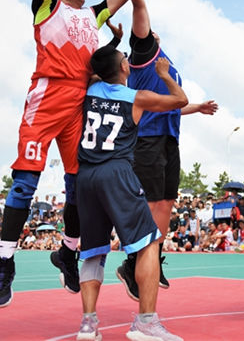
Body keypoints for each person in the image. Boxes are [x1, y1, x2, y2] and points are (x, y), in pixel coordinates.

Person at [0, 0, 145, 308]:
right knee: (26, 183)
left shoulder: (91, 19)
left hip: (80, 104)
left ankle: (68, 251)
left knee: (79, 185)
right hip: (46, 99)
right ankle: (5, 262)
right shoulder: (46, 9)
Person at [115, 0, 218, 299]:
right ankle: (134, 261)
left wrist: (196, 107)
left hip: (169, 140)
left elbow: (171, 105)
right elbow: (139, 7)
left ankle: (151, 257)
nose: (150, 32)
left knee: (167, 205)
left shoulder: (167, 63)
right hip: (146, 141)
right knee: (151, 203)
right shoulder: (144, 57)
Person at [74, 42, 187, 341]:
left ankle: (88, 323)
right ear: (124, 67)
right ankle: (146, 322)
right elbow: (180, 100)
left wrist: (111, 42)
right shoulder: (135, 97)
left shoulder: (88, 91)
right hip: (117, 173)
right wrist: (164, 74)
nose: (128, 59)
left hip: (85, 176)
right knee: (149, 244)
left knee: (94, 252)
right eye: (124, 57)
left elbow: (97, 66)